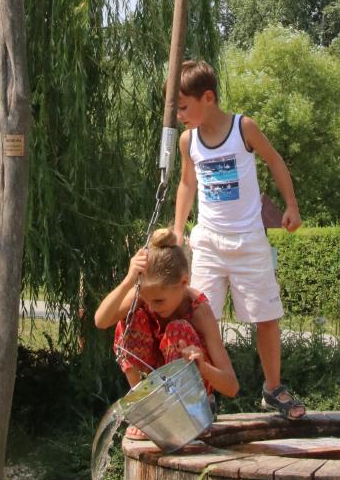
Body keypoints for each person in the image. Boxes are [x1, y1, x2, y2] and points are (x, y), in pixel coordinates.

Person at [172, 59, 306, 420]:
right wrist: (178, 229)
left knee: (266, 316)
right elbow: (187, 183)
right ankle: (205, 393)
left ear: (208, 98)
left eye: (183, 107)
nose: (179, 116)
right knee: (201, 318)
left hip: (249, 242)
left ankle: (273, 389)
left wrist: (291, 206)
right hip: (208, 243)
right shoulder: (188, 141)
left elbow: (275, 161)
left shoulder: (242, 128)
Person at [94, 228, 239, 414]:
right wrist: (128, 282)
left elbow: (231, 386)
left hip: (193, 391)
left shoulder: (199, 311)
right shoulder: (146, 295)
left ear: (184, 282)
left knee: (177, 329)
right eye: (147, 300)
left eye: (159, 301)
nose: (152, 307)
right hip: (155, 382)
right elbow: (101, 321)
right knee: (131, 320)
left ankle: (181, 412)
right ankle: (144, 407)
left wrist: (203, 367)